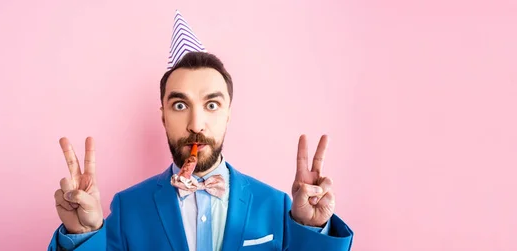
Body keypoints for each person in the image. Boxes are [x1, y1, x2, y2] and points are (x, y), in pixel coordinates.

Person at [47, 10, 354, 251]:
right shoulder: (128, 208)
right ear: (163, 117)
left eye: (211, 105)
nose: (196, 125)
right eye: (180, 105)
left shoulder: (277, 206)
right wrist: (82, 235)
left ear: (229, 114)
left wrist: (314, 231)